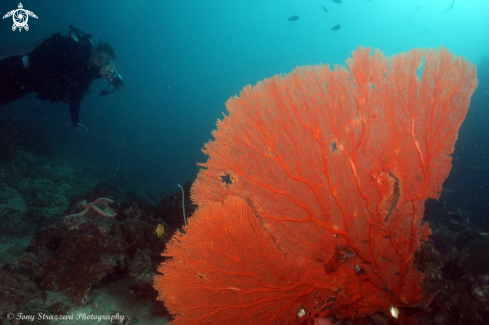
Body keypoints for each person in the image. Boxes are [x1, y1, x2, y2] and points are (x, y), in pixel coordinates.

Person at [0, 26, 123, 132]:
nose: (101, 64)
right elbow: (65, 66)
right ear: (93, 51)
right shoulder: (74, 50)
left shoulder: (89, 71)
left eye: (105, 63)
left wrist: (75, 120)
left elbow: (76, 94)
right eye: (101, 58)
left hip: (27, 85)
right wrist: (95, 72)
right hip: (17, 68)